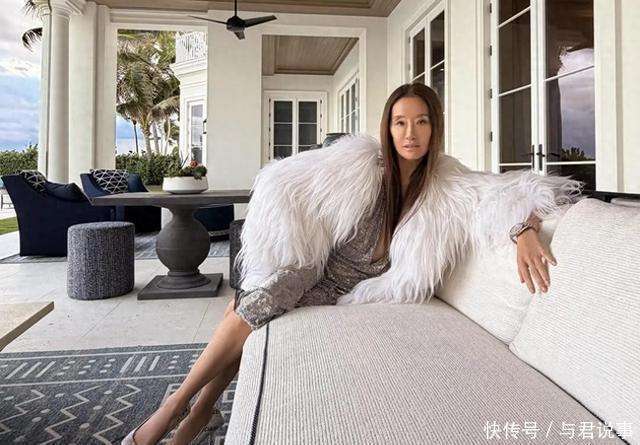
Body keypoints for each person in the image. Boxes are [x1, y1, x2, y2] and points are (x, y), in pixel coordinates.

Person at [122, 83, 580, 444]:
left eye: (421, 122)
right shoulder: (362, 164)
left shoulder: (447, 181)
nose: (410, 133)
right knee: (259, 301)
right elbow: (290, 185)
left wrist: (523, 229)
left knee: (250, 315)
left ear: (434, 128)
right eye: (400, 122)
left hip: (349, 288)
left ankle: (199, 411)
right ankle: (178, 407)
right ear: (388, 127)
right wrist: (265, 259)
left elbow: (504, 193)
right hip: (315, 267)